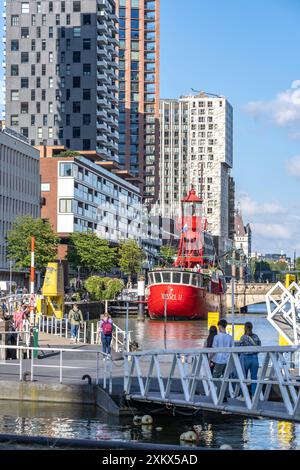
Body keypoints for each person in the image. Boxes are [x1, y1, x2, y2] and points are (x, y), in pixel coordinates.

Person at [211, 319, 234, 402]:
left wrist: (210, 359)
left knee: (214, 378)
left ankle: (221, 391)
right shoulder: (230, 337)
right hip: (227, 360)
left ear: (220, 326)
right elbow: (232, 349)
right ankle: (224, 396)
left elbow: (214, 350)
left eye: (218, 326)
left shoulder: (216, 337)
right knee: (225, 378)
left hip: (219, 360)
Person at [237, 322, 261, 397]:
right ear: (252, 327)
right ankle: (254, 395)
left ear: (245, 328)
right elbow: (259, 346)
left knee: (244, 377)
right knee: (254, 377)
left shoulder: (243, 337)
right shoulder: (256, 336)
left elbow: (239, 348)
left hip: (245, 358)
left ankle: (244, 395)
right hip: (254, 358)